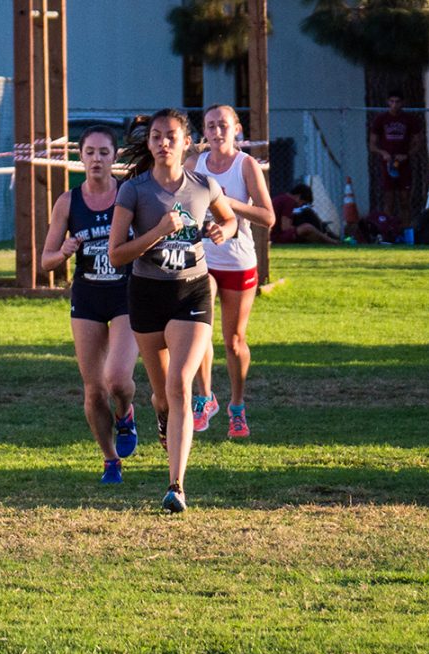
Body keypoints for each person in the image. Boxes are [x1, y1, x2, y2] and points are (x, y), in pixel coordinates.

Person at [108, 109, 237, 513]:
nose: (163, 142)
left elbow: (229, 220)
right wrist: (158, 232)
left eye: (171, 136)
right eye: (156, 136)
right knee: (163, 395)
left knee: (181, 384)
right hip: (147, 293)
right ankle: (162, 417)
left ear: (186, 143)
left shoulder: (204, 186)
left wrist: (222, 230)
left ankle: (176, 486)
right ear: (149, 144)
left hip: (192, 293)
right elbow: (116, 255)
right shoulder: (134, 190)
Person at [41, 125, 139, 485]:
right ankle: (110, 458)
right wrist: (63, 251)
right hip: (87, 297)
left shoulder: (129, 195)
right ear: (79, 157)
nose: (96, 159)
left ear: (116, 157)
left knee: (117, 380)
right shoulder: (68, 202)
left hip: (126, 295)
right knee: (94, 388)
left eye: (104, 152)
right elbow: (45, 260)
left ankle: (126, 414)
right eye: (90, 152)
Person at [184, 104, 275, 438]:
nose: (217, 131)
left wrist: (225, 203)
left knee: (234, 341)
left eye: (223, 125)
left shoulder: (246, 165)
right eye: (210, 126)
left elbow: (268, 217)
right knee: (197, 331)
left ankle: (237, 405)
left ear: (237, 129)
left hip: (237, 260)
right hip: (201, 259)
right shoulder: (194, 164)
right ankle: (205, 397)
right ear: (204, 132)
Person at [369, 90, 423, 223]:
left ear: (402, 103)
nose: (394, 105)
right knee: (389, 201)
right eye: (392, 101)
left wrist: (407, 155)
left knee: (404, 200)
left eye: (397, 102)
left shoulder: (409, 120)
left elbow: (419, 142)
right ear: (388, 102)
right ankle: (388, 233)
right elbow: (372, 145)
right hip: (388, 165)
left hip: (403, 164)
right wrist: (383, 153)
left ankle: (406, 233)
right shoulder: (381, 119)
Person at [270, 183, 339, 245]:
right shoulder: (289, 201)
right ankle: (333, 242)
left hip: (272, 235)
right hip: (276, 236)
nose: (300, 206)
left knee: (307, 231)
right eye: (303, 203)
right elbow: (285, 227)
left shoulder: (282, 198)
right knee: (308, 227)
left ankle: (322, 242)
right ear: (299, 197)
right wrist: (300, 228)